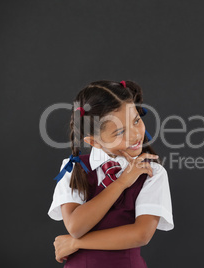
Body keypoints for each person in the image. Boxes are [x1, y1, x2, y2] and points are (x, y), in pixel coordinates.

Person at [47, 80, 174, 267]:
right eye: (120, 132)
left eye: (136, 120)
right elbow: (75, 226)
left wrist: (77, 243)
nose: (135, 135)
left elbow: (141, 234)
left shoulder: (152, 172)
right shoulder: (74, 168)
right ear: (94, 142)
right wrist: (122, 182)